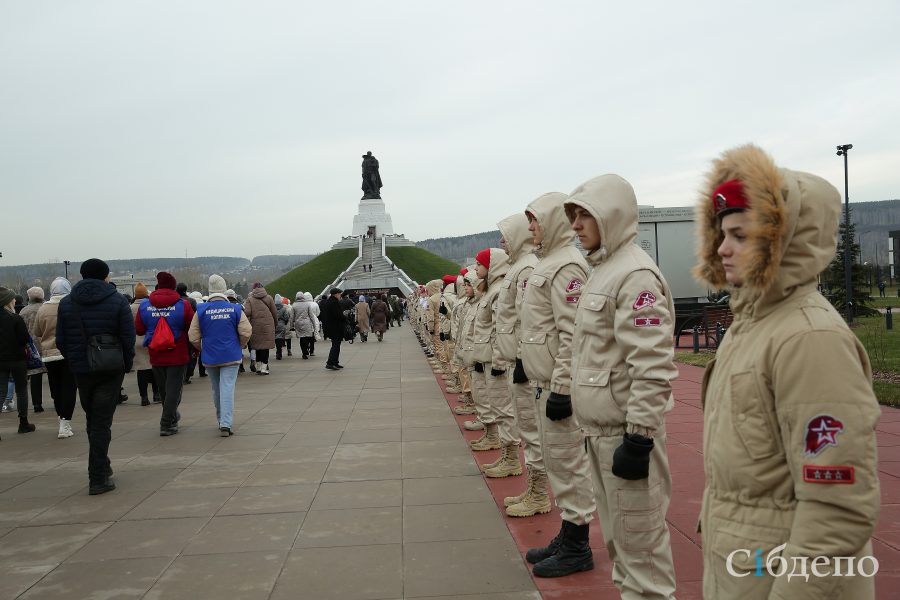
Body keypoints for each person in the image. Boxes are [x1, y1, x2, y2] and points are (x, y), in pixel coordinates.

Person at [693, 145, 881, 598]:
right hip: (745, 567)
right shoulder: (754, 327)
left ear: (782, 241)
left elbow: (837, 510)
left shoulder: (808, 339)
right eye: (721, 234)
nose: (723, 249)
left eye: (740, 235)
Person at [565, 176, 677, 596]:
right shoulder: (604, 271)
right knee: (621, 546)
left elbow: (651, 363)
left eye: (584, 215)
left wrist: (641, 437)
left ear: (610, 216)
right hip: (601, 434)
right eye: (573, 216)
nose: (576, 225)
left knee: (641, 549)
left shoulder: (634, 275)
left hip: (626, 436)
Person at [519, 192, 597, 578]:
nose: (530, 227)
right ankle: (568, 532)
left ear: (550, 221)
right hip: (544, 381)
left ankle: (577, 545)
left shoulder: (566, 266)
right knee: (557, 463)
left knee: (569, 464)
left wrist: (563, 388)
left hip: (556, 385)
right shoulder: (549, 263)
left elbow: (572, 334)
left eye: (535, 219)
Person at [56, 259, 135, 495]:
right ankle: (98, 476)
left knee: (93, 417)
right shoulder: (117, 301)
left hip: (82, 369)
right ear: (106, 276)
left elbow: (61, 340)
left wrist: (74, 360)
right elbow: (127, 338)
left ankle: (102, 466)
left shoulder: (68, 303)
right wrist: (125, 364)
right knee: (101, 421)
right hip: (110, 368)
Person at [495, 212, 549, 517]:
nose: (502, 241)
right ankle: (533, 486)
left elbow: (527, 319)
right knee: (524, 423)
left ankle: (539, 493)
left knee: (530, 427)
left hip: (525, 362)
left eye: (505, 235)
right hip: (517, 359)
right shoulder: (519, 267)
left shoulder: (527, 267)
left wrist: (521, 358)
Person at [189, 274, 252, 436]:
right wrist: (240, 345)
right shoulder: (235, 308)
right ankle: (226, 423)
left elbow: (193, 336)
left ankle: (220, 420)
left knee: (216, 389)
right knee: (227, 388)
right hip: (231, 354)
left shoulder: (201, 309)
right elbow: (246, 331)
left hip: (210, 356)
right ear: (223, 289)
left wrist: (202, 347)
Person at [135, 272, 195, 436]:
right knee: (174, 390)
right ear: (173, 286)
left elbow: (139, 329)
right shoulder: (183, 305)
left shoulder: (145, 305)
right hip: (177, 353)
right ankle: (166, 423)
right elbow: (192, 327)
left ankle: (172, 416)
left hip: (155, 353)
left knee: (164, 390)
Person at [34, 277, 79, 437]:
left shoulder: (43, 309)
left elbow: (38, 332)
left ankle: (61, 417)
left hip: (49, 355)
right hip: (69, 352)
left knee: (56, 388)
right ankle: (65, 423)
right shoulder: (73, 306)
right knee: (69, 388)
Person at [0, 286, 35, 435]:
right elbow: (24, 339)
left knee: (0, 392)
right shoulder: (15, 318)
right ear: (7, 301)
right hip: (17, 359)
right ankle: (23, 422)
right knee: (21, 390)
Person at [129, 283, 158, 406]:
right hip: (151, 338)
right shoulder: (151, 306)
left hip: (136, 340)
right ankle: (157, 394)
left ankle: (144, 397)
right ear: (146, 293)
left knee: (141, 370)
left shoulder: (130, 308)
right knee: (154, 368)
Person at [19, 286, 46, 413]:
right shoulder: (46, 308)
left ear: (29, 297)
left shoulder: (24, 311)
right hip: (47, 344)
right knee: (54, 374)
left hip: (32, 348)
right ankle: (57, 398)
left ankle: (37, 404)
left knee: (35, 376)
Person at [243, 283, 277, 375]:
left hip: (255, 325)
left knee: (257, 347)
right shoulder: (269, 298)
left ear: (253, 289)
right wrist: (275, 324)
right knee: (266, 348)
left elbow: (247, 313)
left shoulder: (249, 299)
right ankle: (264, 368)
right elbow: (274, 313)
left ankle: (258, 367)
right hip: (268, 325)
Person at [176, 283, 198, 384]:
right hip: (190, 330)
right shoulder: (192, 301)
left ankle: (181, 374)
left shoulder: (175, 301)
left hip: (178, 331)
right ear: (186, 290)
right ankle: (188, 374)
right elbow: (196, 317)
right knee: (191, 352)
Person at [321, 288, 346, 369]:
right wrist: (344, 317)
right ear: (335, 294)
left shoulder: (330, 302)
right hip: (335, 327)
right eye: (339, 294)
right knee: (335, 346)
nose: (340, 295)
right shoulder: (333, 302)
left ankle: (335, 362)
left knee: (336, 345)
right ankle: (330, 363)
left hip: (332, 327)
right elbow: (338, 315)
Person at [274, 294, 291, 359]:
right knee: (280, 339)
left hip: (274, 325)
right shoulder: (284, 309)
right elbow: (286, 317)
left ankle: (278, 351)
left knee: (276, 338)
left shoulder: (272, 308)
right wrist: (284, 323)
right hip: (282, 325)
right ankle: (279, 351)